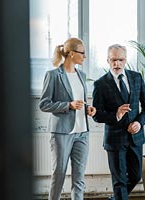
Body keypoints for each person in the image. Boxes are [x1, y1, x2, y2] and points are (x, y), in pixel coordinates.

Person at [92, 44, 145, 200]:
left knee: (135, 175)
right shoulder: (100, 84)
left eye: (120, 60)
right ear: (107, 60)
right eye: (113, 60)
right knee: (119, 182)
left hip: (135, 138)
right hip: (115, 139)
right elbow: (97, 115)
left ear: (125, 60)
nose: (117, 64)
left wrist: (139, 122)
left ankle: (115, 198)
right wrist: (116, 115)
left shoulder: (136, 77)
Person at [39, 37, 96, 200]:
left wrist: (88, 109)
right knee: (59, 174)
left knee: (79, 178)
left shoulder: (82, 75)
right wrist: (68, 105)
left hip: (82, 132)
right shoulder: (53, 75)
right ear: (71, 53)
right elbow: (44, 104)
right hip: (62, 133)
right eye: (82, 53)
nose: (85, 57)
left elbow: (80, 101)